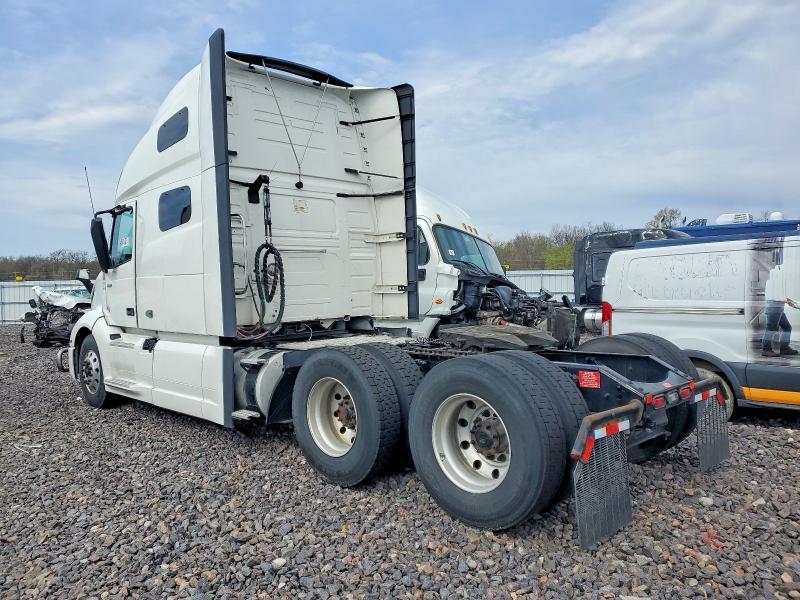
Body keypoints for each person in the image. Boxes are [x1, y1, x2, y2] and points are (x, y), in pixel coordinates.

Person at [762, 262, 799, 357]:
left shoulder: (772, 280)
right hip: (775, 307)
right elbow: (777, 296)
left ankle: (784, 348)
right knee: (771, 328)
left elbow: (777, 294)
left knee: (787, 327)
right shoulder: (777, 279)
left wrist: (786, 300)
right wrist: (786, 301)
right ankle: (766, 349)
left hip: (778, 307)